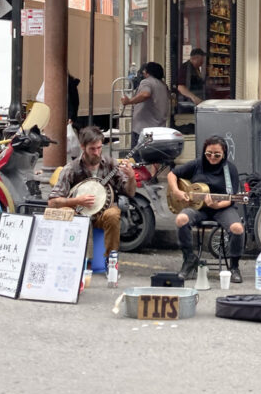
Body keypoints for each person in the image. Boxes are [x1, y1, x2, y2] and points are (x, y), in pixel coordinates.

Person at [48, 125, 136, 257]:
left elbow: (130, 193)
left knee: (112, 214)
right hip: (78, 214)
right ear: (83, 147)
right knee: (64, 212)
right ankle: (70, 257)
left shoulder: (110, 164)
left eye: (99, 148)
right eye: (92, 149)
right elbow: (53, 202)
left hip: (102, 214)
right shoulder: (71, 169)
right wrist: (77, 201)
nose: (97, 152)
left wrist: (131, 177)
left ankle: (110, 259)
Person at [167, 135, 245, 283]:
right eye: (209, 154)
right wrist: (177, 191)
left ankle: (234, 266)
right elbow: (172, 174)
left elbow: (231, 198)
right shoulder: (197, 164)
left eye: (217, 154)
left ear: (224, 154)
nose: (212, 157)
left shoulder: (230, 170)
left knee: (237, 228)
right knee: (181, 219)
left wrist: (216, 205)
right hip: (198, 208)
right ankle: (189, 259)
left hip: (221, 208)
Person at [121, 61, 170, 148]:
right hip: (159, 128)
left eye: (144, 70)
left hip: (143, 129)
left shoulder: (147, 82)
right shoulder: (163, 85)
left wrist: (129, 101)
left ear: (147, 72)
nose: (143, 72)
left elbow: (145, 94)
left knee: (137, 158)